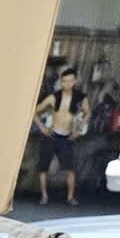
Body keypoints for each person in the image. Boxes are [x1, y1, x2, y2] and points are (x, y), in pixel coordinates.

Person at [36, 66, 90, 206]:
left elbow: (87, 112)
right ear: (61, 82)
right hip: (52, 134)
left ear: (75, 81)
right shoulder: (54, 97)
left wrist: (78, 130)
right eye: (65, 81)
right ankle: (44, 196)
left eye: (70, 81)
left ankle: (70, 197)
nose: (68, 84)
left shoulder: (80, 97)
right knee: (43, 167)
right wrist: (42, 127)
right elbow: (35, 111)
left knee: (70, 168)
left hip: (67, 136)